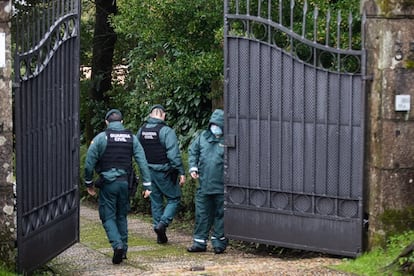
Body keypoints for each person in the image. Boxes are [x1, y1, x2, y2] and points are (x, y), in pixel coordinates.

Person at [84, 109, 152, 265]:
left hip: (108, 185)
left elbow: (89, 163)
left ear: (107, 122)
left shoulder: (101, 138)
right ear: (122, 122)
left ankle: (117, 245)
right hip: (125, 184)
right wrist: (147, 185)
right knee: (121, 216)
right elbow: (142, 161)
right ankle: (124, 250)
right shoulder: (131, 138)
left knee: (107, 216)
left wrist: (89, 183)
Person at [137, 104, 186, 244]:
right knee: (174, 198)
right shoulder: (166, 131)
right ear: (163, 115)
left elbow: (138, 152)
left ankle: (159, 234)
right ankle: (162, 224)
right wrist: (181, 172)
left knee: (156, 202)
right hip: (164, 172)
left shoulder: (141, 131)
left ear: (150, 115)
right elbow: (174, 155)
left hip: (148, 173)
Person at [186, 109, 228, 254]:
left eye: (219, 125)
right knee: (202, 214)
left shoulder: (228, 139)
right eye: (214, 124)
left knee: (221, 215)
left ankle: (219, 243)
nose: (216, 128)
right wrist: (193, 167)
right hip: (204, 185)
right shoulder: (202, 137)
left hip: (222, 186)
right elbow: (193, 152)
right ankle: (199, 242)